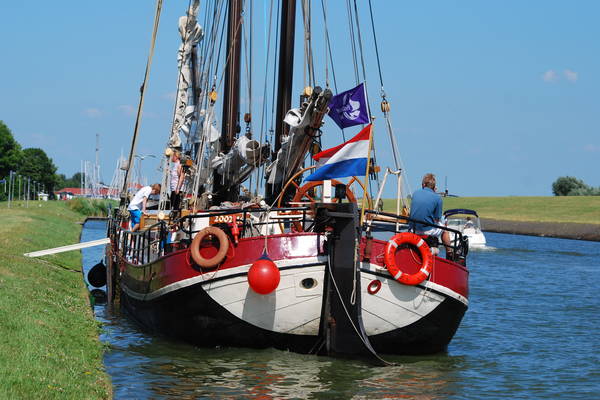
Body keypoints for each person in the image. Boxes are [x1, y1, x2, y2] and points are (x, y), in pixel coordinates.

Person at [409, 173, 452, 254]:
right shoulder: (437, 198)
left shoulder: (415, 193)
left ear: (423, 184)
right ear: (434, 187)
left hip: (413, 229)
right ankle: (449, 253)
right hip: (426, 230)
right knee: (445, 229)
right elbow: (437, 218)